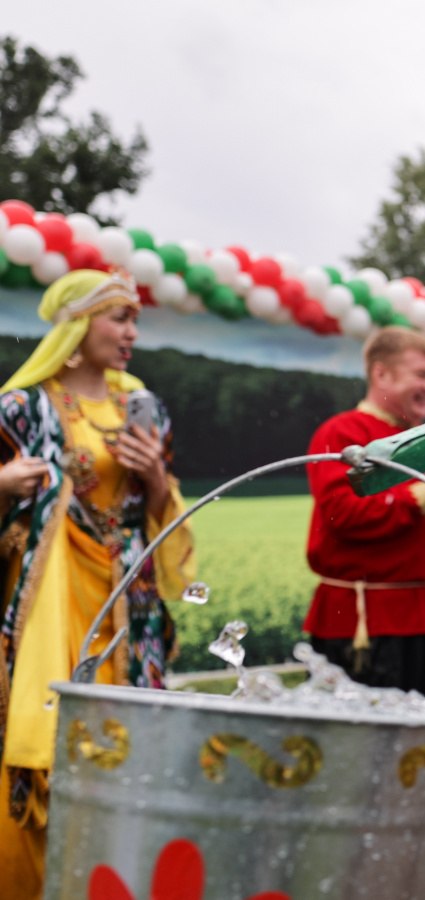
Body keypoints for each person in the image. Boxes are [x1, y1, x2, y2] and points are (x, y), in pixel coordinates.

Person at [0, 271, 196, 898]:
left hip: (127, 598)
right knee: (47, 738)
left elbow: (163, 508)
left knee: (126, 739)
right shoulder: (22, 407)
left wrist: (156, 478)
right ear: (78, 329)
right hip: (48, 597)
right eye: (119, 319)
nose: (131, 334)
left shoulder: (144, 406)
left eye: (134, 320)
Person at [303, 326, 425, 697]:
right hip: (360, 619)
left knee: (416, 744)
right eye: (421, 375)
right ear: (381, 374)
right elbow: (344, 514)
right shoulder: (342, 432)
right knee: (358, 747)